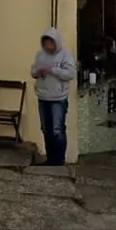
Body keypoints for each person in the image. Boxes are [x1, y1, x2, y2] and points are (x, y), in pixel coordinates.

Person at [30, 27, 75, 166]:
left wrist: (53, 70)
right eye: (45, 43)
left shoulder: (65, 55)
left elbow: (70, 74)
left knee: (57, 129)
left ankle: (59, 159)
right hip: (43, 96)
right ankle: (50, 158)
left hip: (58, 97)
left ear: (56, 42)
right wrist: (38, 72)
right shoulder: (40, 55)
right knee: (45, 128)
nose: (48, 47)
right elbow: (32, 71)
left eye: (50, 43)